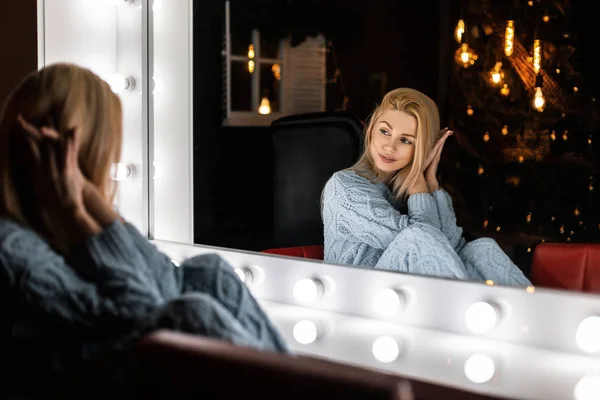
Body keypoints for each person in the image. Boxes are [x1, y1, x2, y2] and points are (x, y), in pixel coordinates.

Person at [0, 63, 289, 398]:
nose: (109, 166)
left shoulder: (60, 228)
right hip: (83, 378)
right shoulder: (12, 248)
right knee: (193, 313)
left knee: (209, 273)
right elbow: (144, 311)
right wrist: (76, 213)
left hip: (125, 365)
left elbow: (166, 280)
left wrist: (94, 204)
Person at [322, 88, 531, 286]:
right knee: (417, 237)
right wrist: (418, 185)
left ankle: (528, 315)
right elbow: (421, 241)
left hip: (402, 293)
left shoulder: (408, 190)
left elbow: (452, 245)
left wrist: (430, 184)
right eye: (384, 131)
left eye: (405, 140)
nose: (389, 146)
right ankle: (465, 310)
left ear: (421, 148)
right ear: (371, 130)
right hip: (357, 296)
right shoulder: (344, 187)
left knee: (482, 249)